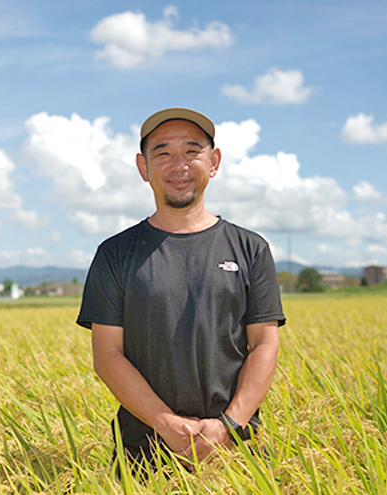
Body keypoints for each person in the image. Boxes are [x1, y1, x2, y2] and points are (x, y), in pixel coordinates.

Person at [76, 107, 285, 470]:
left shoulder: (251, 249)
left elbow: (265, 343)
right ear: (143, 167)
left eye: (192, 151)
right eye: (163, 153)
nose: (179, 165)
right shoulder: (115, 254)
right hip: (142, 454)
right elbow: (107, 355)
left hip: (237, 453)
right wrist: (165, 423)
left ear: (214, 162)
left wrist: (228, 426)